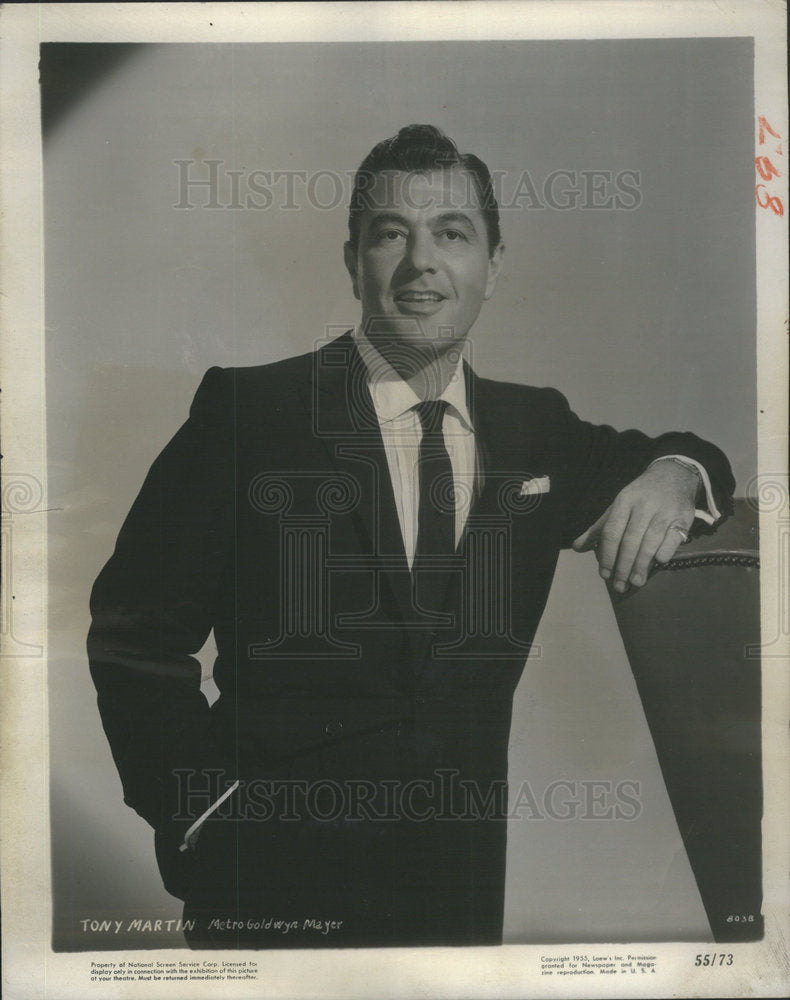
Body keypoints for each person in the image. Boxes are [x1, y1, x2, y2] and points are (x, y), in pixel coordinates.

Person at [88, 124, 735, 949]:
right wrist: (202, 815)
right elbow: (133, 637)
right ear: (353, 256)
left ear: (493, 266)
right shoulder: (251, 413)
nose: (421, 261)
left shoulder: (535, 428)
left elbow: (682, 455)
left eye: (452, 235)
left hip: (455, 895)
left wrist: (676, 472)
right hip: (268, 883)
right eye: (392, 233)